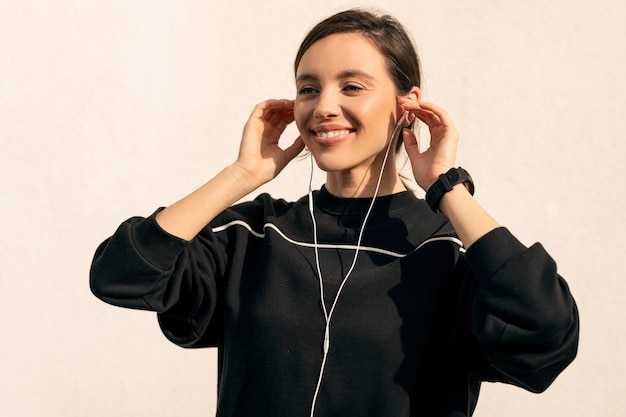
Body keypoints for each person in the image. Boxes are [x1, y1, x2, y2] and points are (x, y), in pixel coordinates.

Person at [90, 8, 579, 417]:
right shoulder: (254, 234)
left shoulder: (451, 250)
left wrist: (446, 187)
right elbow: (120, 275)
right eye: (308, 88)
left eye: (352, 87)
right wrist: (242, 175)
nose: (323, 106)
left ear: (406, 107)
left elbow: (547, 334)